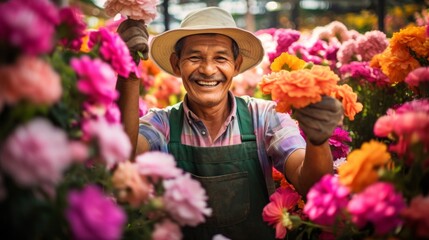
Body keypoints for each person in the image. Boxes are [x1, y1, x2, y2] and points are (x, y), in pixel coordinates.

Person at [116, 7, 343, 240]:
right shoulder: (162, 124)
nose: (207, 69)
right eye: (194, 57)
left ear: (236, 64)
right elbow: (122, 159)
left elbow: (311, 184)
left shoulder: (263, 117)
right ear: (176, 64)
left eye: (221, 58)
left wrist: (318, 140)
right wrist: (129, 75)